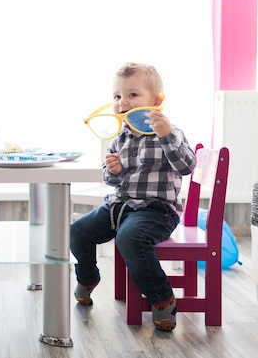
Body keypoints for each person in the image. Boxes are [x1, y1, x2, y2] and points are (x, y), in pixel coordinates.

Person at [70, 62, 197, 331]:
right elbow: (110, 179)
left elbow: (186, 166)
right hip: (120, 206)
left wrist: (166, 136)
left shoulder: (171, 133)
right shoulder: (120, 137)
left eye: (132, 95)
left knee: (130, 238)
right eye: (117, 96)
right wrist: (113, 171)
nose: (123, 102)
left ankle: (162, 298)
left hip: (157, 210)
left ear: (157, 100)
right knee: (78, 230)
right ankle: (88, 276)